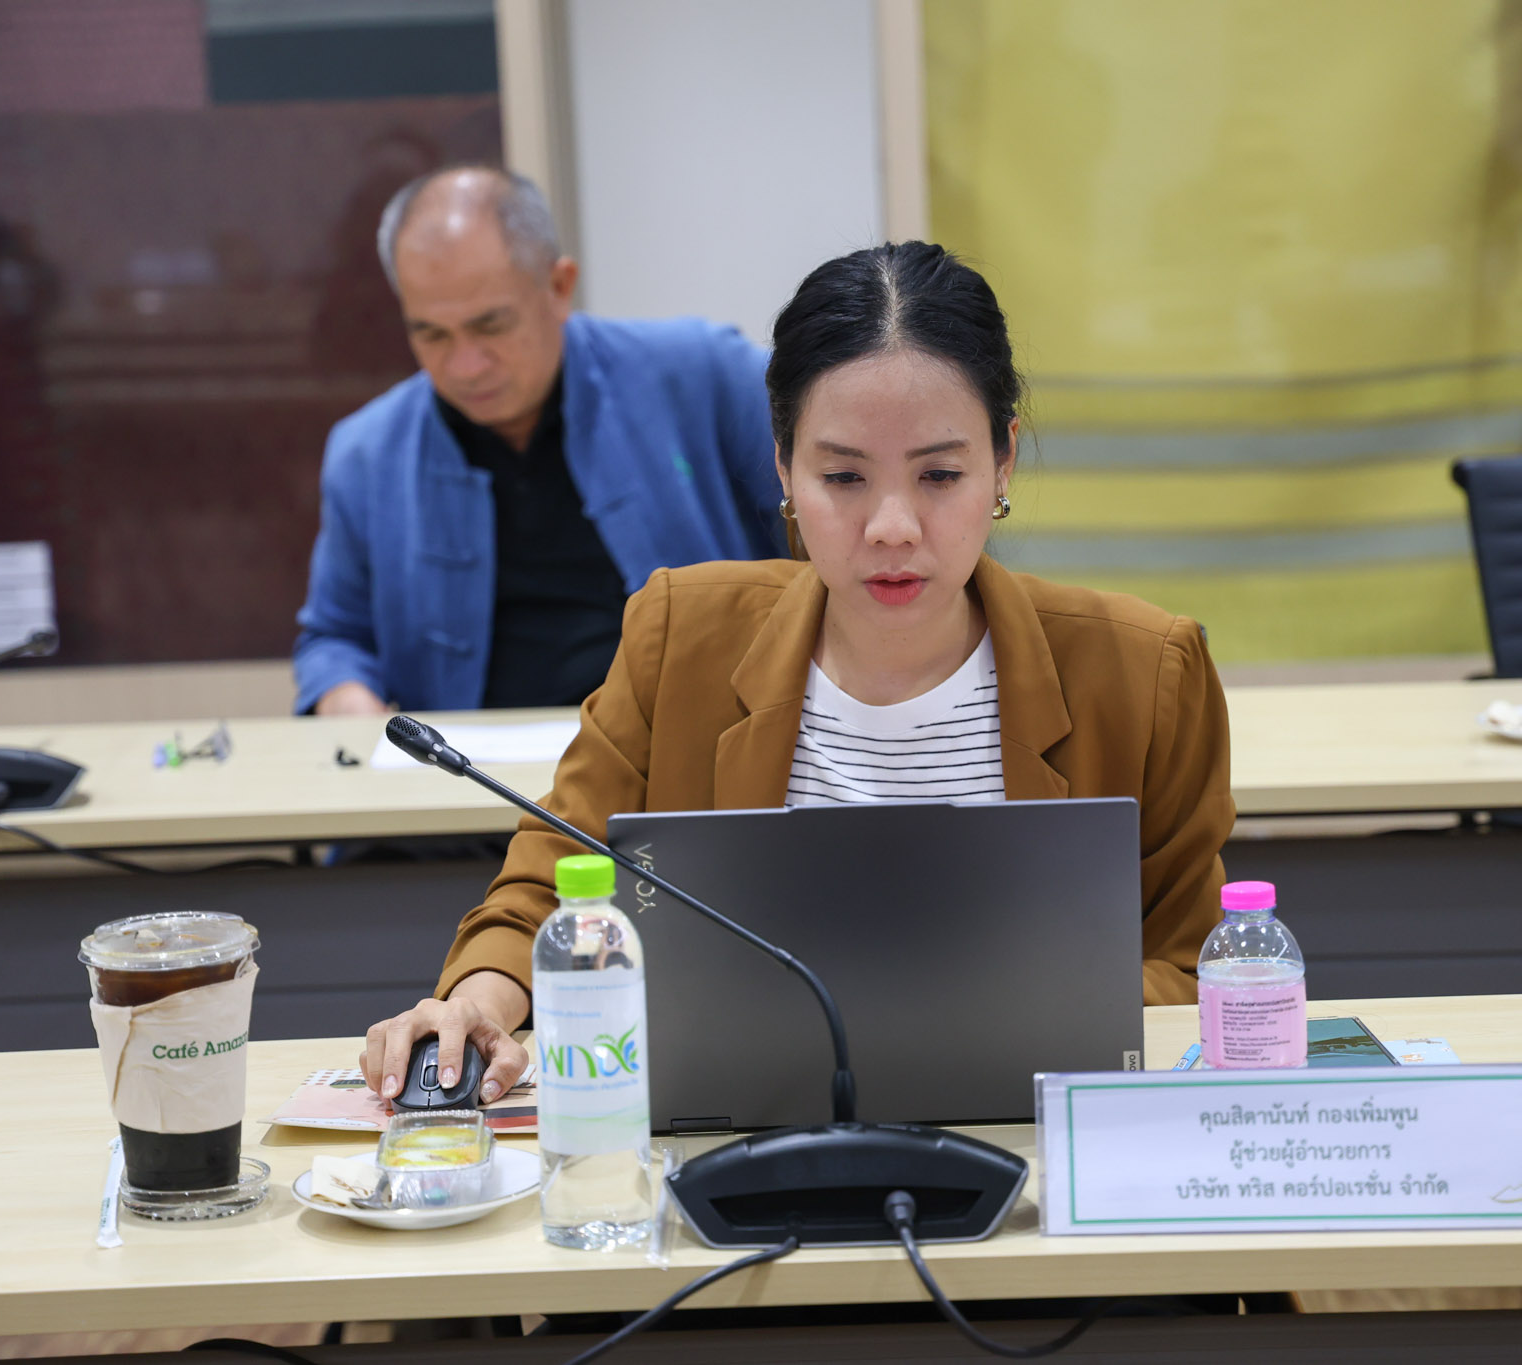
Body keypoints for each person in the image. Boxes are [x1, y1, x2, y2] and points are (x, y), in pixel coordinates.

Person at [360, 242, 1235, 1106]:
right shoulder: (680, 638)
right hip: (739, 1140)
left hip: (1037, 1145)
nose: (892, 526)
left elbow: (1193, 967)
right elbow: (549, 887)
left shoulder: (1144, 673)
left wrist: (983, 1012)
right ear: (783, 465)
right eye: (843, 476)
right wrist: (475, 1005)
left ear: (1003, 460)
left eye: (939, 474)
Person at [294, 167, 787, 716]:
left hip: (697, 744)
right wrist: (350, 704)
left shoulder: (705, 375)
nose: (466, 366)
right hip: (469, 762)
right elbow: (334, 638)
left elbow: (830, 540)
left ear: (558, 287)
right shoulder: (367, 454)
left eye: (491, 325)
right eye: (431, 334)